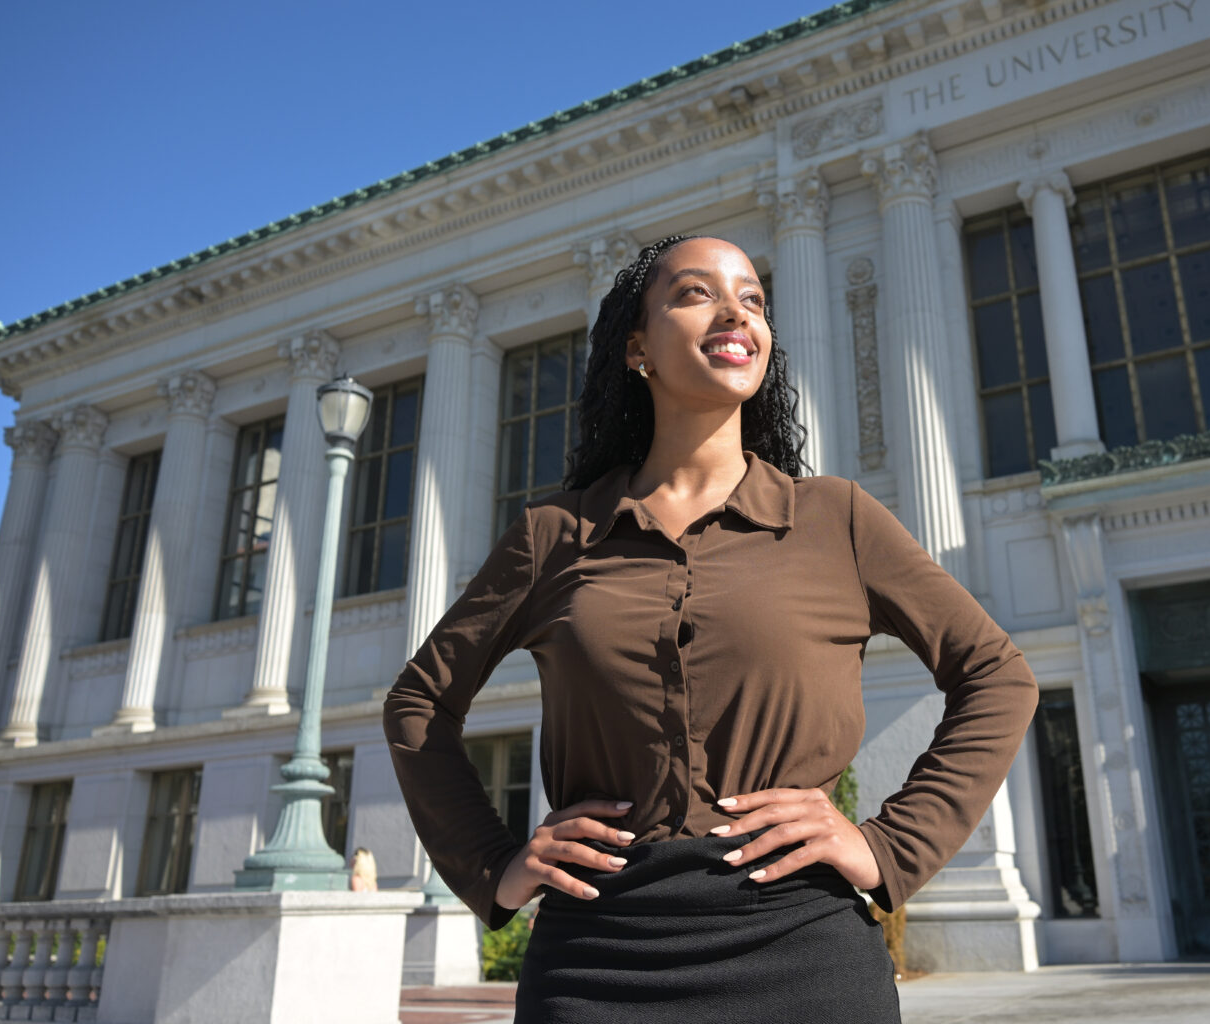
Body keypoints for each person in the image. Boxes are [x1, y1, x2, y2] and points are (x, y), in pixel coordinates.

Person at [383, 234, 1039, 1022]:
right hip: (595, 964)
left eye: (754, 299)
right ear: (637, 348)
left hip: (804, 955)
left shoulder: (837, 519)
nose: (736, 311)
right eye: (696, 292)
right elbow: (419, 703)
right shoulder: (553, 535)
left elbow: (998, 678)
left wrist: (888, 845)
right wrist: (493, 866)